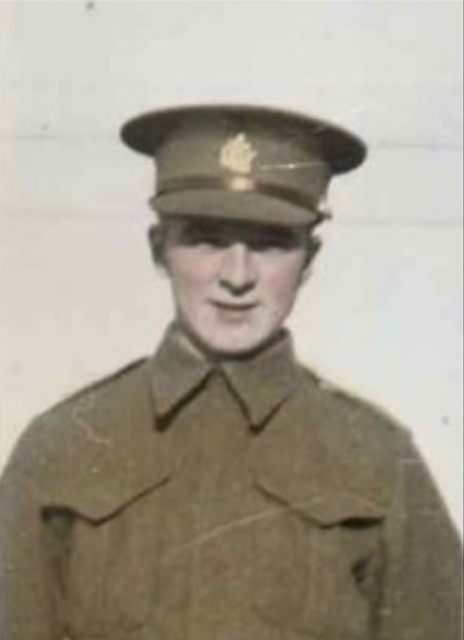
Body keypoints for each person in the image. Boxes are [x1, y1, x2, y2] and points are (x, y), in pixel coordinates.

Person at [0, 105, 461, 640]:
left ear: (309, 260)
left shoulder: (377, 459)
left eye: (270, 243)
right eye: (206, 239)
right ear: (159, 250)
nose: (237, 276)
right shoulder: (63, 447)